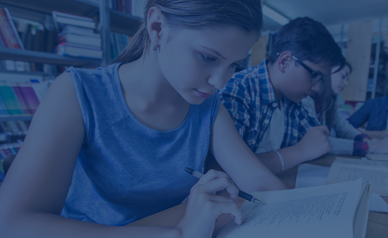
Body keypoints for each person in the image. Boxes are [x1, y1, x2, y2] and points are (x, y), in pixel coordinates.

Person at [0, 1, 286, 237]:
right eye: (208, 57)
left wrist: (308, 214)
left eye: (234, 64)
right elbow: (13, 223)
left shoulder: (208, 105)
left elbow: (258, 180)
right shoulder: (78, 92)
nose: (220, 82)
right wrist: (177, 234)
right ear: (158, 28)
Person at [219, 17, 345, 175]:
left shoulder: (294, 101)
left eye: (322, 80)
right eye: (314, 75)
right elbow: (225, 167)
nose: (317, 87)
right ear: (285, 62)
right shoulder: (238, 90)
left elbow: (319, 141)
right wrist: (300, 151)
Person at [302, 62, 388, 156]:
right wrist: (370, 146)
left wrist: (366, 139)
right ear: (326, 72)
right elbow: (319, 141)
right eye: (343, 76)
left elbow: (344, 128)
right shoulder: (307, 99)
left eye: (347, 79)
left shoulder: (330, 102)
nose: (346, 83)